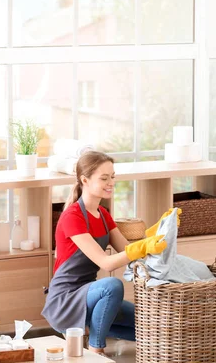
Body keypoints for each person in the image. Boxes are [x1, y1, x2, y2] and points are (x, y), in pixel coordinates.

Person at [41, 151, 168, 356]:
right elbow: (106, 263)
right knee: (112, 285)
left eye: (112, 177)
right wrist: (141, 247)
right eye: (104, 178)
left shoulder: (103, 214)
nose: (111, 182)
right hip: (67, 299)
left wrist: (157, 234)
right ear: (85, 180)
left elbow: (128, 252)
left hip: (92, 296)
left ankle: (92, 327)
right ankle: (95, 350)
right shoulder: (72, 216)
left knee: (151, 326)